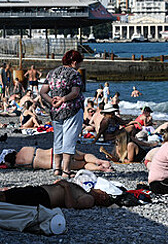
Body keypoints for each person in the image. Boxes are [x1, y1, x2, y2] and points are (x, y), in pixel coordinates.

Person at [40, 50, 85, 178]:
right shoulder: (74, 74)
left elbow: (43, 92)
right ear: (74, 62)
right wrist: (63, 99)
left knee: (58, 139)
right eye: (79, 63)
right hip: (72, 109)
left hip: (55, 111)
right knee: (69, 140)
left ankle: (57, 169)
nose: (79, 66)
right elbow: (75, 92)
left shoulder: (52, 73)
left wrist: (52, 101)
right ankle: (66, 171)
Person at [0, 179, 111, 209]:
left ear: (102, 197)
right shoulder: (85, 192)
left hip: (44, 197)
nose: (101, 190)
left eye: (103, 192)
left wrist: (66, 187)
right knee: (9, 195)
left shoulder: (89, 199)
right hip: (41, 192)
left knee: (7, 197)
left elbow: (71, 205)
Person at [1, 147, 113, 172]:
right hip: (54, 151)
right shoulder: (25, 149)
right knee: (83, 156)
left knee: (83, 165)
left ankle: (100, 168)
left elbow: (7, 165)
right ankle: (99, 161)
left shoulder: (19, 164)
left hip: (55, 163)